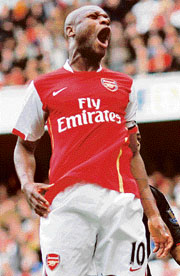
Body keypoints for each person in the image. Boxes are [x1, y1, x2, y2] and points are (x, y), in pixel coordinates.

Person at [13, 5, 173, 276]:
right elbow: (24, 147)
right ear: (70, 30)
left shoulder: (124, 85)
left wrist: (154, 215)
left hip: (121, 204)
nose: (104, 21)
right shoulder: (43, 86)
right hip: (67, 204)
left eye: (107, 18)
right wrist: (26, 183)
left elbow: (134, 155)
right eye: (94, 17)